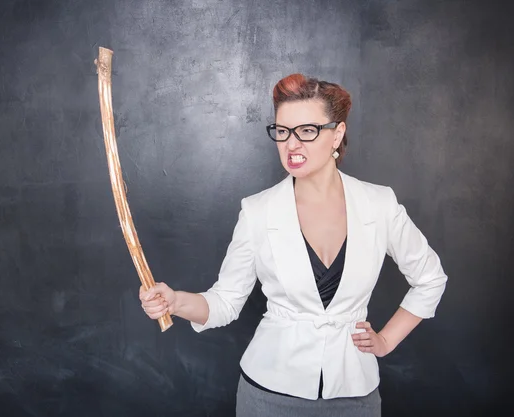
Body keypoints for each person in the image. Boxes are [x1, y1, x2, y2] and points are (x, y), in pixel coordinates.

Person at [138, 74, 448, 417]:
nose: (291, 144)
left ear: (338, 134)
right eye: (282, 131)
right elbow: (225, 302)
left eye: (307, 131)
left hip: (356, 395)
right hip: (270, 396)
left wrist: (386, 340)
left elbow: (430, 278)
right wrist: (175, 301)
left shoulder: (379, 203)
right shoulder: (257, 211)